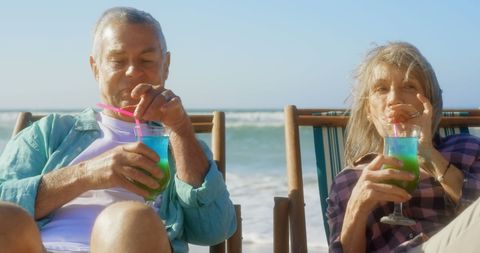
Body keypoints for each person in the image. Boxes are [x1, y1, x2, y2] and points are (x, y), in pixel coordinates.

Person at [0, 6, 236, 253]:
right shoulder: (48, 133)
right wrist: (88, 174)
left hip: (131, 241)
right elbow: (5, 200)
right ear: (96, 68)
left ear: (165, 65)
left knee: (128, 218)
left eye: (146, 60)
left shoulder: (181, 145)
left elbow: (214, 230)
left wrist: (180, 128)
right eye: (118, 61)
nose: (133, 71)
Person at [327, 42, 480, 253]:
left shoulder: (466, 150)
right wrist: (357, 207)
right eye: (381, 89)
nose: (394, 99)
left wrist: (432, 158)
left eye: (409, 86)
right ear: (368, 111)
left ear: (430, 104)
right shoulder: (351, 180)